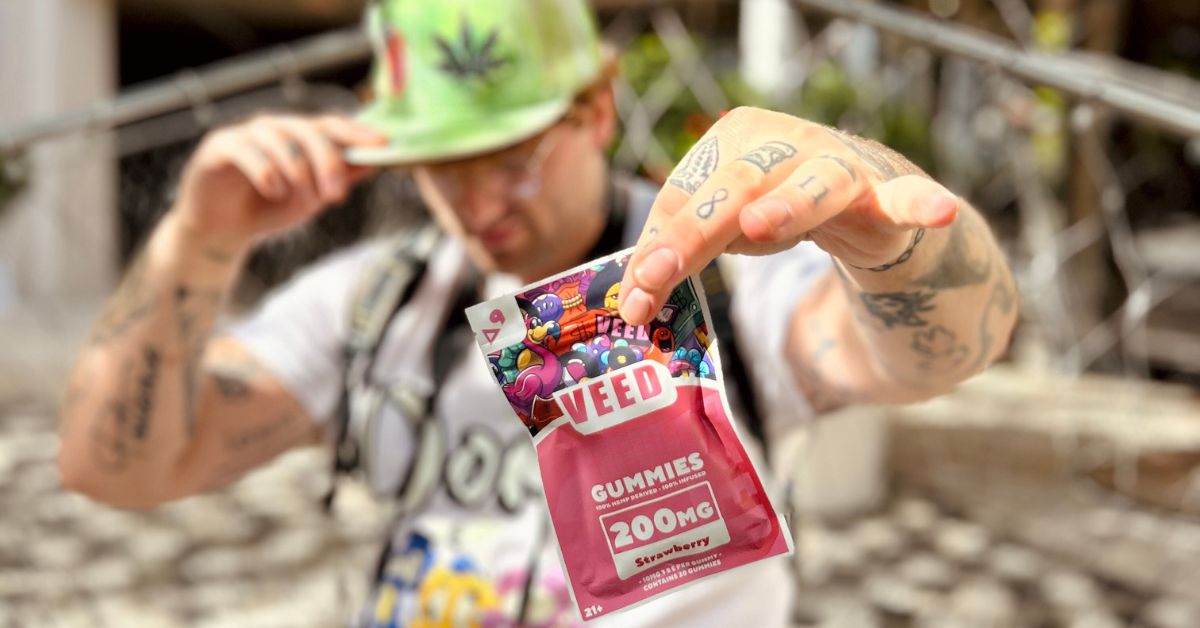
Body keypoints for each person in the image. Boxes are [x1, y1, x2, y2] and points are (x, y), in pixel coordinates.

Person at [57, 0, 1018, 625]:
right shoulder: (378, 298)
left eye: (513, 159)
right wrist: (198, 239)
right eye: (444, 169)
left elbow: (937, 351)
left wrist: (885, 235)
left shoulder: (726, 279)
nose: (481, 208)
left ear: (598, 110)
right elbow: (118, 470)